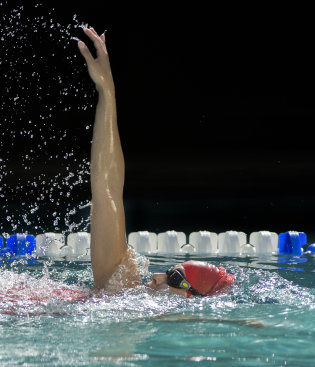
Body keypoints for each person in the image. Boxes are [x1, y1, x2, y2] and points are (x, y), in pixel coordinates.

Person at [76, 27, 234, 297]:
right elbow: (107, 188)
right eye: (170, 270)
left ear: (189, 296)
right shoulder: (121, 284)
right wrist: (107, 91)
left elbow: (107, 190)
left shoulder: (121, 292)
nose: (157, 274)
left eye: (174, 276)